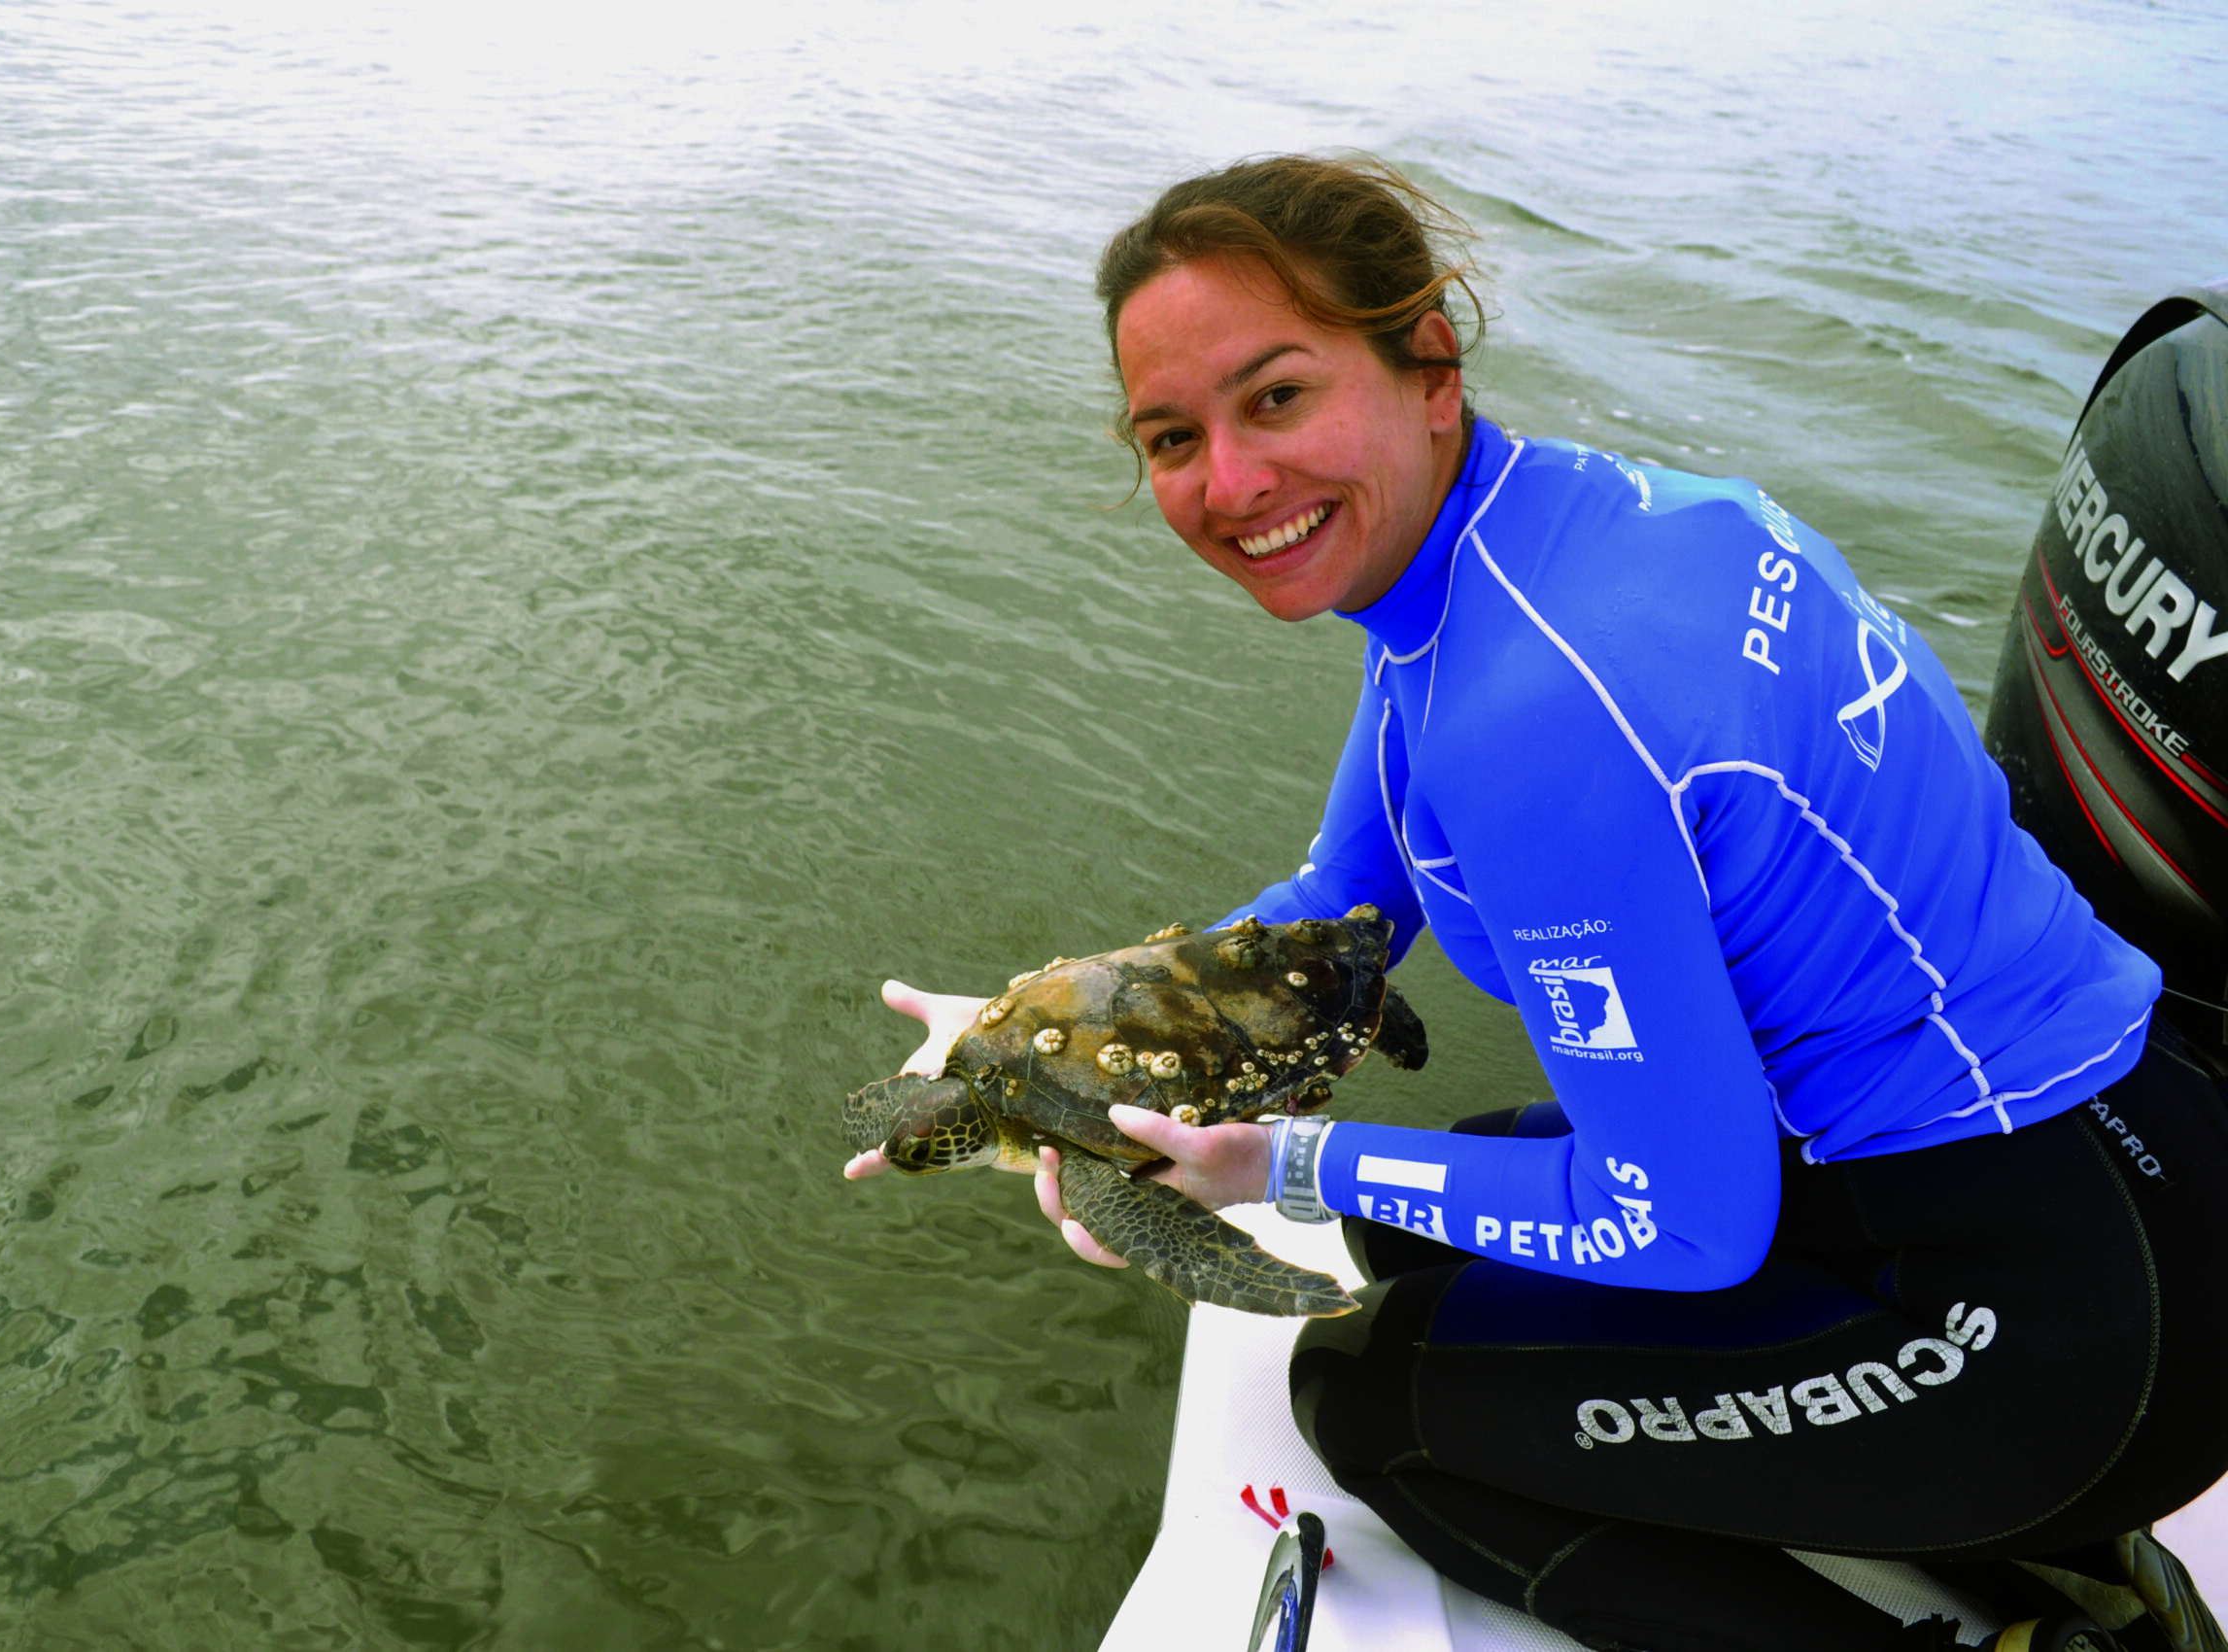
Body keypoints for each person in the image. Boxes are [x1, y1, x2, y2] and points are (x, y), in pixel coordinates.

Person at [845, 155, 2228, 1652]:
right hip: (2127, 1146)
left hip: (2052, 1321)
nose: (1227, 484)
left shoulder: (1533, 718)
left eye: (1278, 398)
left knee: (1370, 1402)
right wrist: (1042, 1040)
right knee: (1418, 1231)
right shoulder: (1544, 541)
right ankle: (2030, 1557)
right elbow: (1334, 916)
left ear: (1427, 359)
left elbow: (1682, 1224)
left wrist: (1281, 1166)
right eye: (1172, 436)